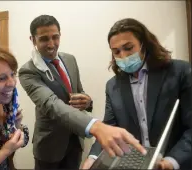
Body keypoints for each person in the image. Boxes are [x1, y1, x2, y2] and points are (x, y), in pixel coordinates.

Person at [18, 15, 146, 170]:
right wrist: (95, 126)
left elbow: (79, 92)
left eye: (55, 37)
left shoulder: (70, 59)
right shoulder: (28, 71)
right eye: (44, 39)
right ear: (33, 40)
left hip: (75, 141)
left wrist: (88, 101)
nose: (51, 44)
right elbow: (50, 104)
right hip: (50, 145)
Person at [82, 18, 192, 170]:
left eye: (128, 48)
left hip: (175, 162)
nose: (123, 56)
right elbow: (109, 128)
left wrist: (170, 162)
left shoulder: (180, 72)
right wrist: (92, 158)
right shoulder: (113, 86)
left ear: (144, 44)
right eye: (116, 52)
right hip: (134, 164)